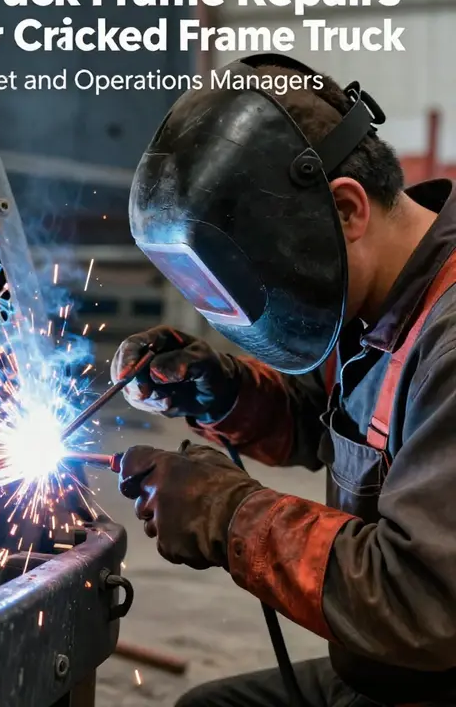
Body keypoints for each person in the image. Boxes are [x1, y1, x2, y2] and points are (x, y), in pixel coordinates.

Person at [111, 54, 456, 707]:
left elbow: (421, 604)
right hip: (379, 676)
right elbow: (329, 428)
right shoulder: (376, 299)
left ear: (346, 211)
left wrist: (228, 511)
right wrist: (224, 392)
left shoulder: (448, 339)